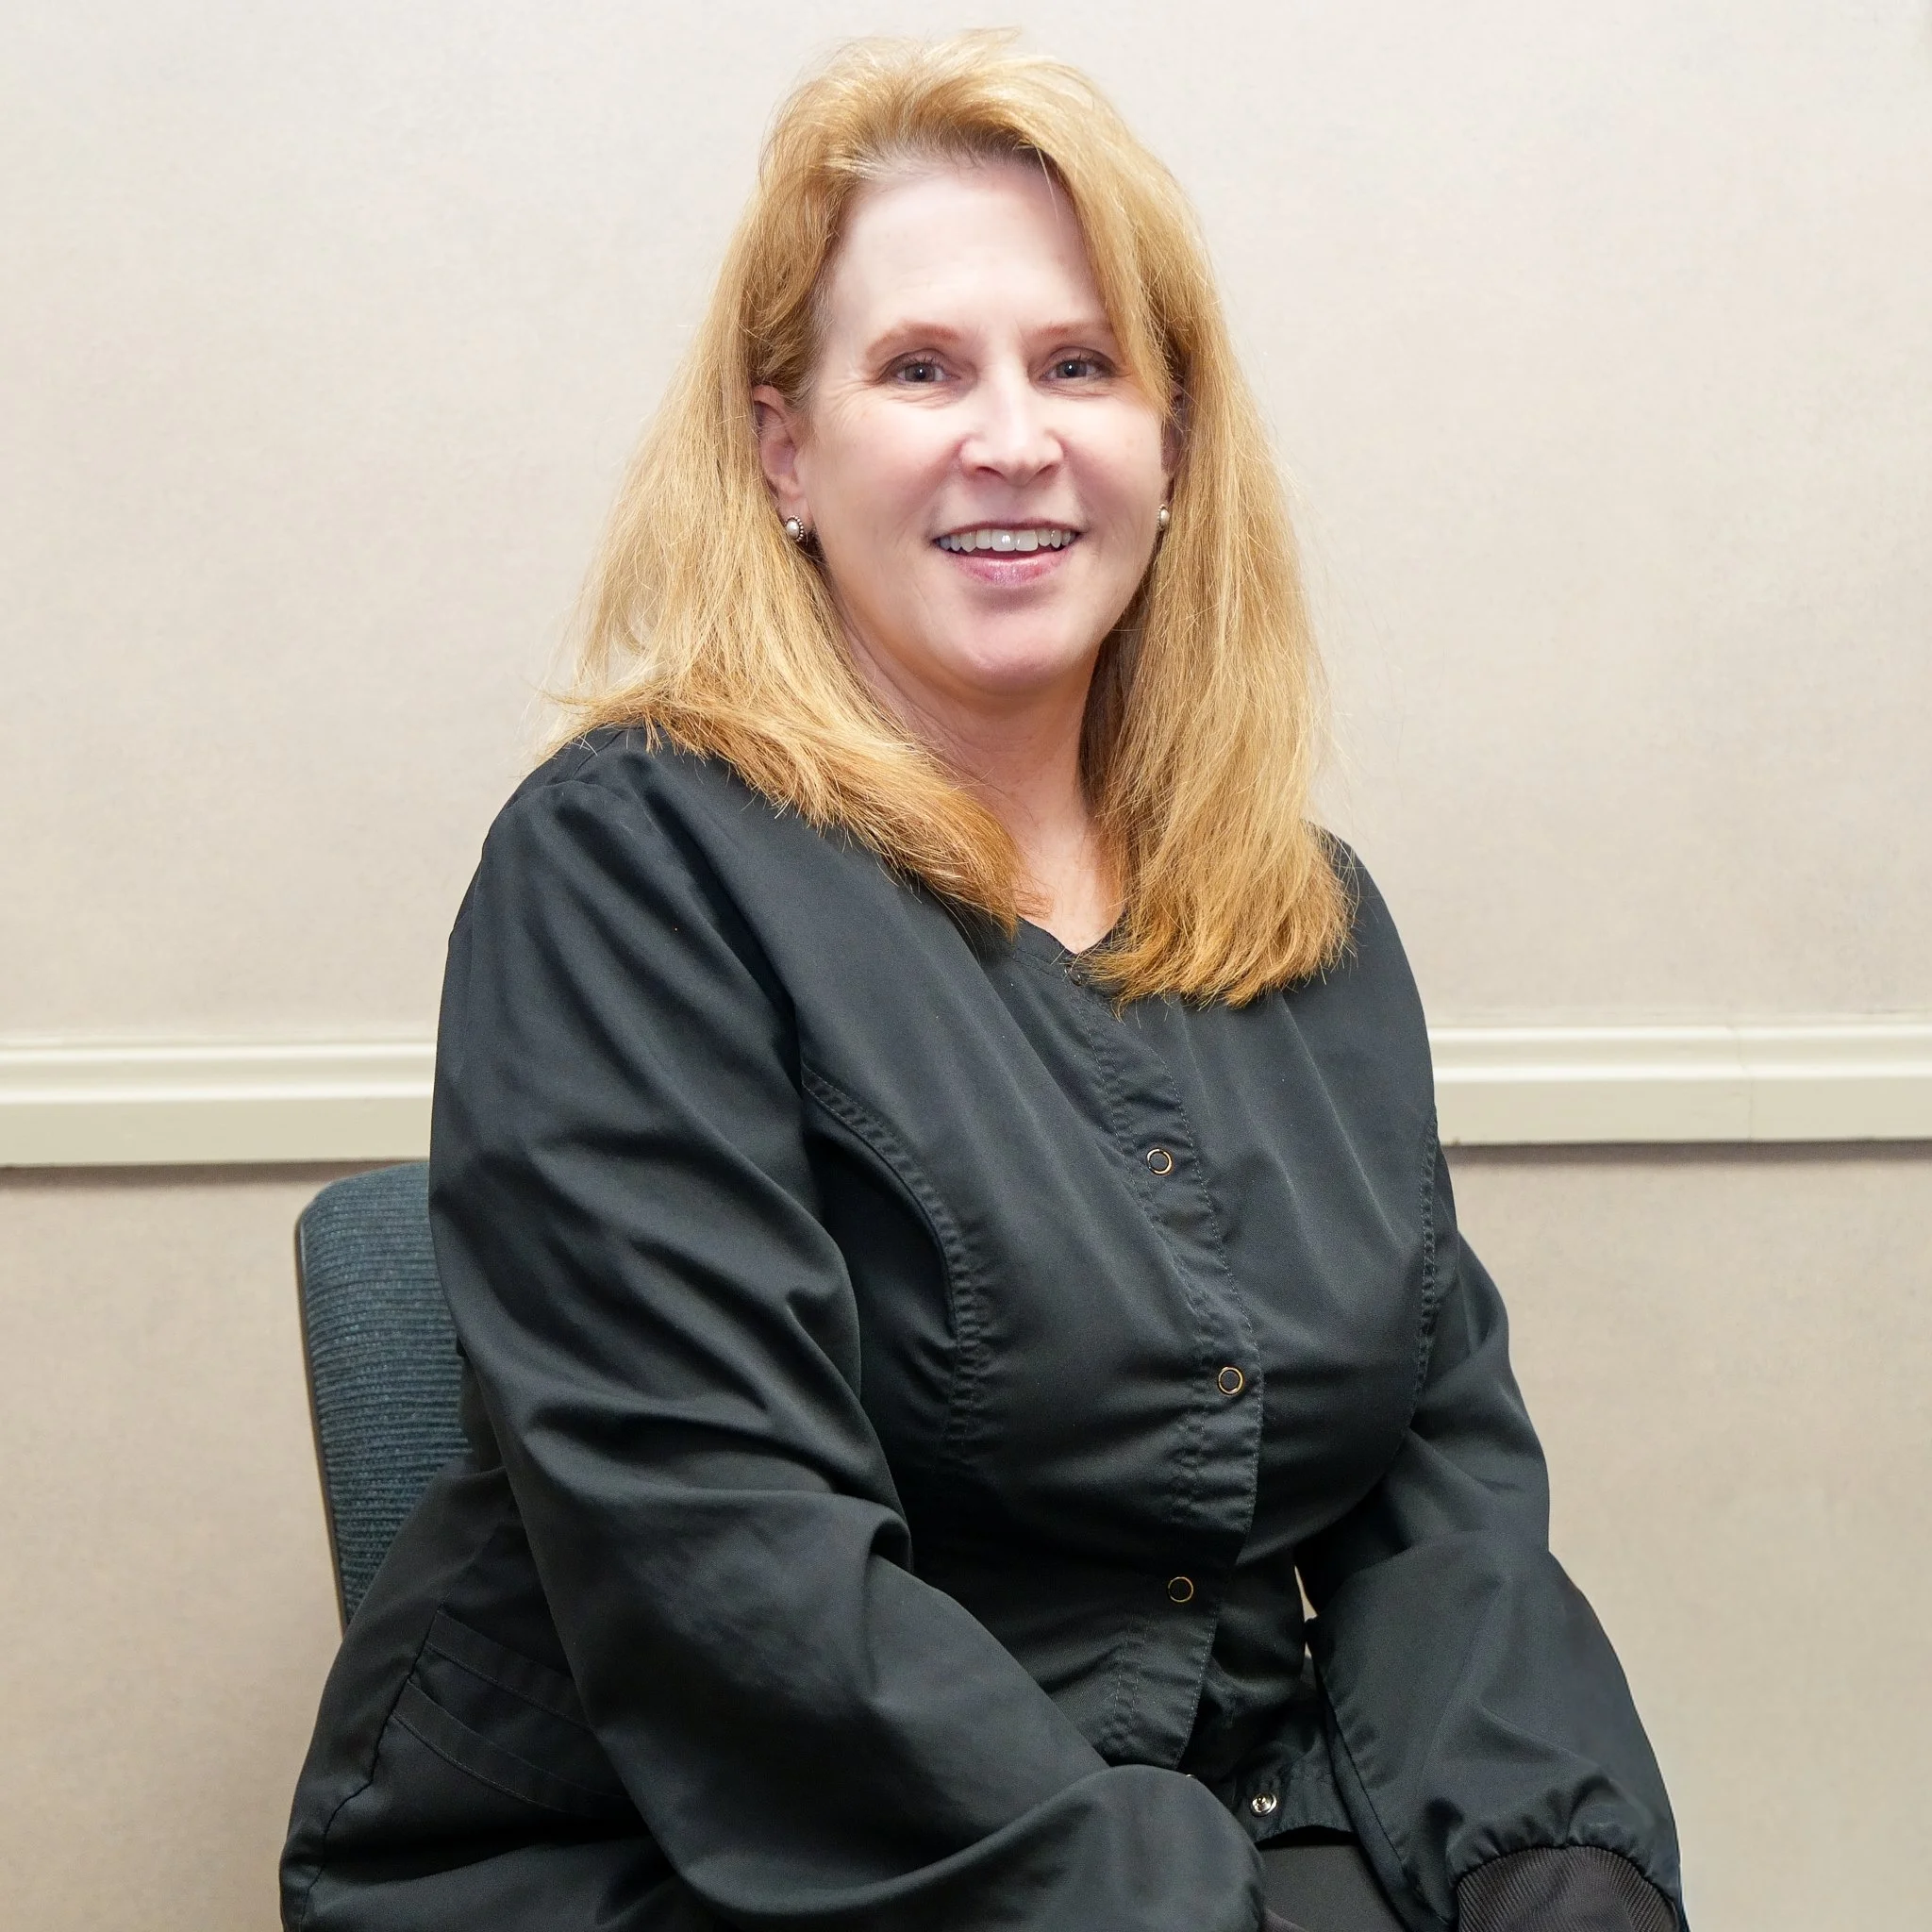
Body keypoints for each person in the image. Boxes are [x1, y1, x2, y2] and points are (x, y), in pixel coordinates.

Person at [282, 33, 1685, 1932]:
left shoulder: (1303, 916)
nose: (1011, 436)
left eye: (1080, 364)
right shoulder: (631, 865)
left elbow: (1438, 1513)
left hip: (1207, 1819)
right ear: (786, 448)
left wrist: (1556, 1863)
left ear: (1170, 445)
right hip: (728, 1857)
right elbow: (739, 1592)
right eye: (921, 367)